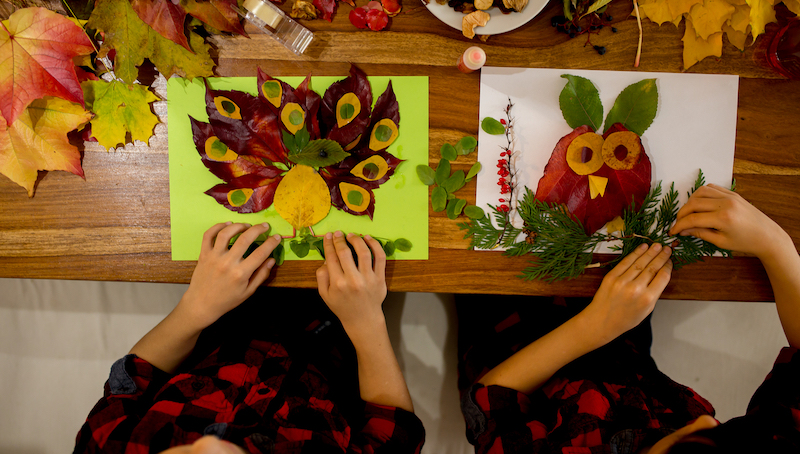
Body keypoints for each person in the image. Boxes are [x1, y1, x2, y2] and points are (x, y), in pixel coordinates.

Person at [457, 184, 800, 453]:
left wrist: (594, 327)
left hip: (510, 340)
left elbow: (491, 405)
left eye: (682, 444)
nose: (706, 420)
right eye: (724, 425)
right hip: (625, 343)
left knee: (471, 247)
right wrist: (775, 244)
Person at [73, 223, 425, 453]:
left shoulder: (104, 446)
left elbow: (137, 376)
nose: (209, 446)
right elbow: (391, 429)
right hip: (340, 341)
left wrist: (196, 308)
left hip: (223, 321)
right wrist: (365, 321)